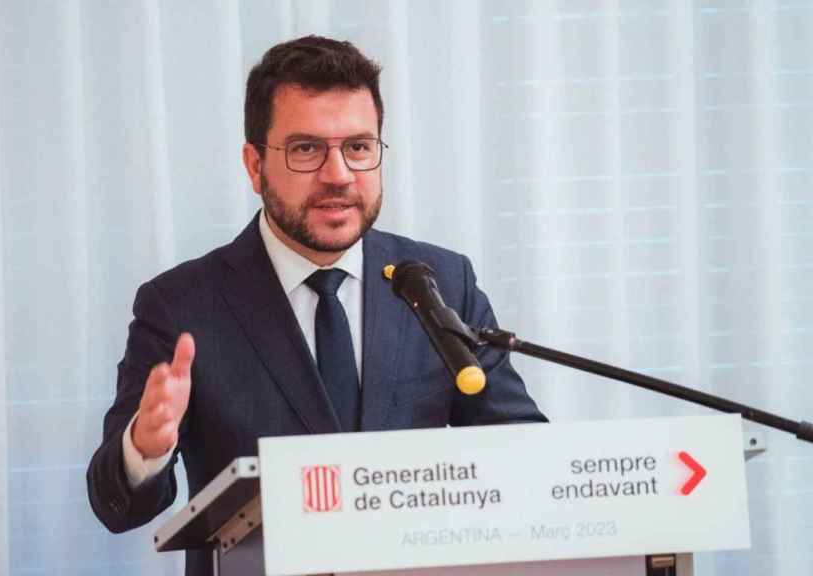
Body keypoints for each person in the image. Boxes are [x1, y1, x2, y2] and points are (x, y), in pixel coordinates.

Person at [87, 35, 546, 575]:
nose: (339, 175)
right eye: (306, 149)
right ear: (255, 165)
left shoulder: (440, 281)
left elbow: (521, 453)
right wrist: (145, 447)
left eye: (358, 147)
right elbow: (117, 505)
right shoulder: (181, 304)